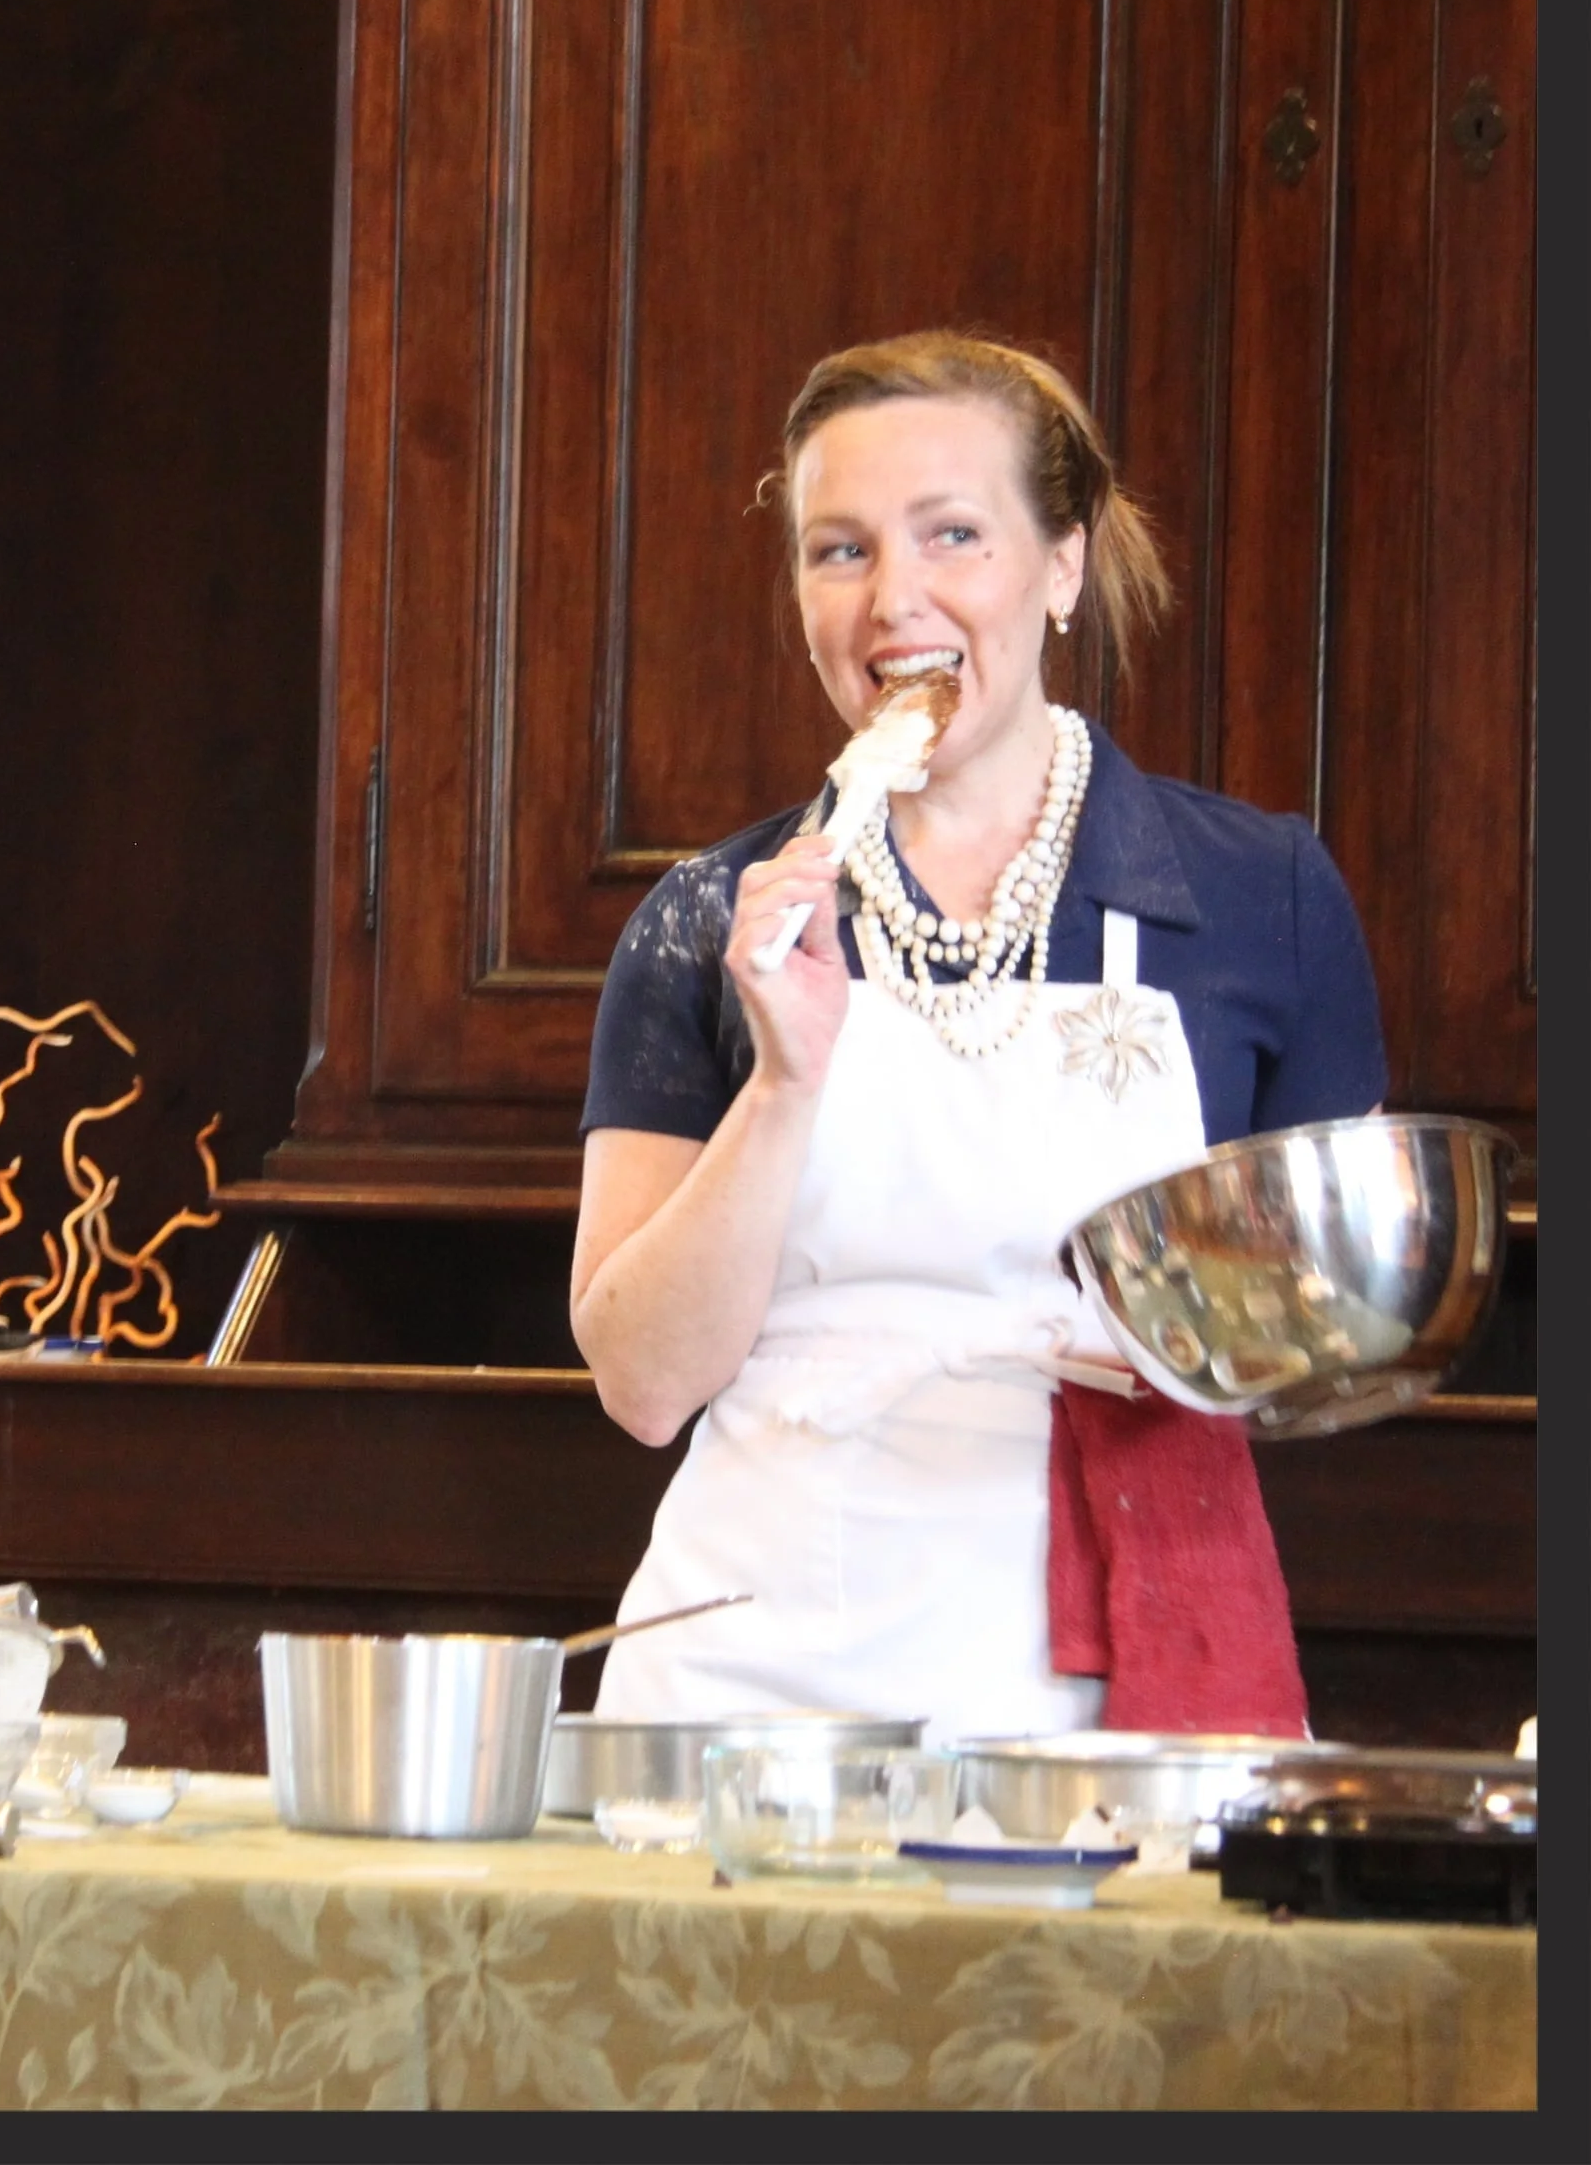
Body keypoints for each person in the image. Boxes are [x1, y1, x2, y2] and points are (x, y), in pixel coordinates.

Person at [571, 331, 1386, 1747]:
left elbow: (1330, 1334)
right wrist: (786, 1082)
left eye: (953, 534)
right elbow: (644, 1387)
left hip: (1116, 1677)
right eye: (841, 550)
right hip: (748, 1682)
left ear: (1063, 565)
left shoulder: (1263, 901)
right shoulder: (708, 920)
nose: (896, 599)